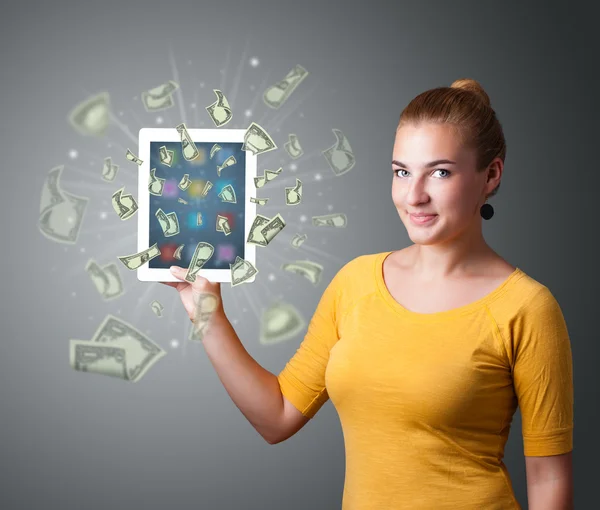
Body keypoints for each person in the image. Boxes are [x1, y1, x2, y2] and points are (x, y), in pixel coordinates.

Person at [162, 78, 574, 509]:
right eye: (401, 172)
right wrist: (207, 315)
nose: (414, 196)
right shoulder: (355, 282)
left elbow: (549, 481)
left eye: (440, 172)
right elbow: (278, 416)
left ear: (490, 174)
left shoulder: (527, 308)